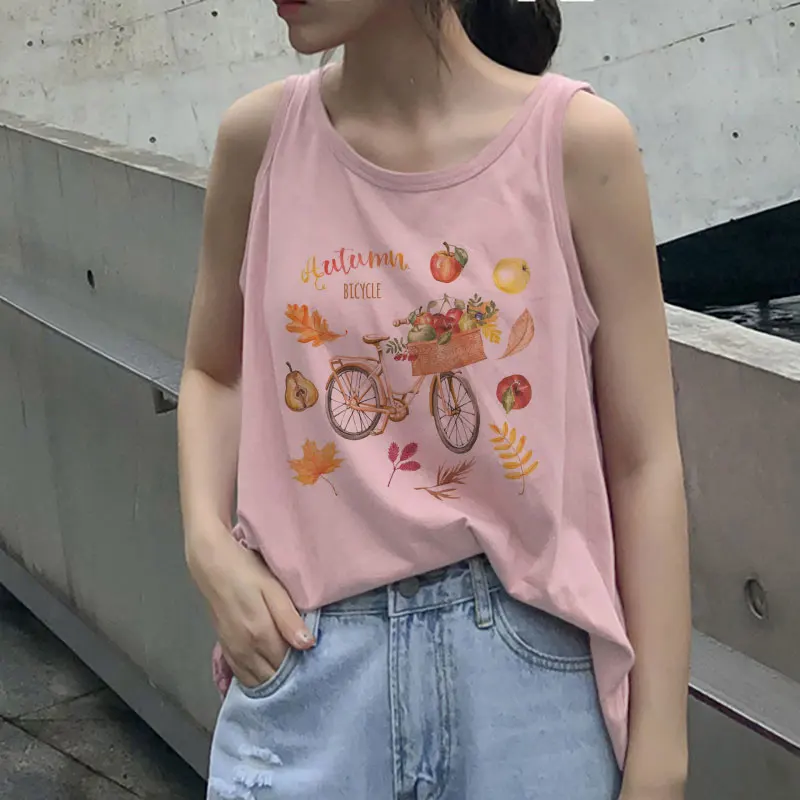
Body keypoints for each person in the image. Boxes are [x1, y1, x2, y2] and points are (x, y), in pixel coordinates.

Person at [178, 0, 691, 797]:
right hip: (309, 668)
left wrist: (661, 754)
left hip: (530, 686)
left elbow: (643, 459)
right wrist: (207, 545)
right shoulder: (260, 143)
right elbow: (216, 370)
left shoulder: (576, 145)